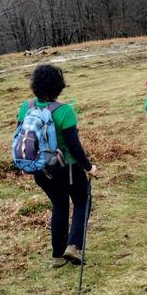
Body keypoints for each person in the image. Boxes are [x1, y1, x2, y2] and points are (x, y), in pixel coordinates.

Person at [16, 64, 97, 268]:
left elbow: (21, 138)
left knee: (59, 205)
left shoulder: (26, 108)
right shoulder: (65, 111)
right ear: (59, 86)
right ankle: (74, 247)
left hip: (41, 171)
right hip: (67, 169)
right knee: (82, 201)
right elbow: (74, 147)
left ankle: (58, 256)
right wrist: (89, 167)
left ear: (35, 85)